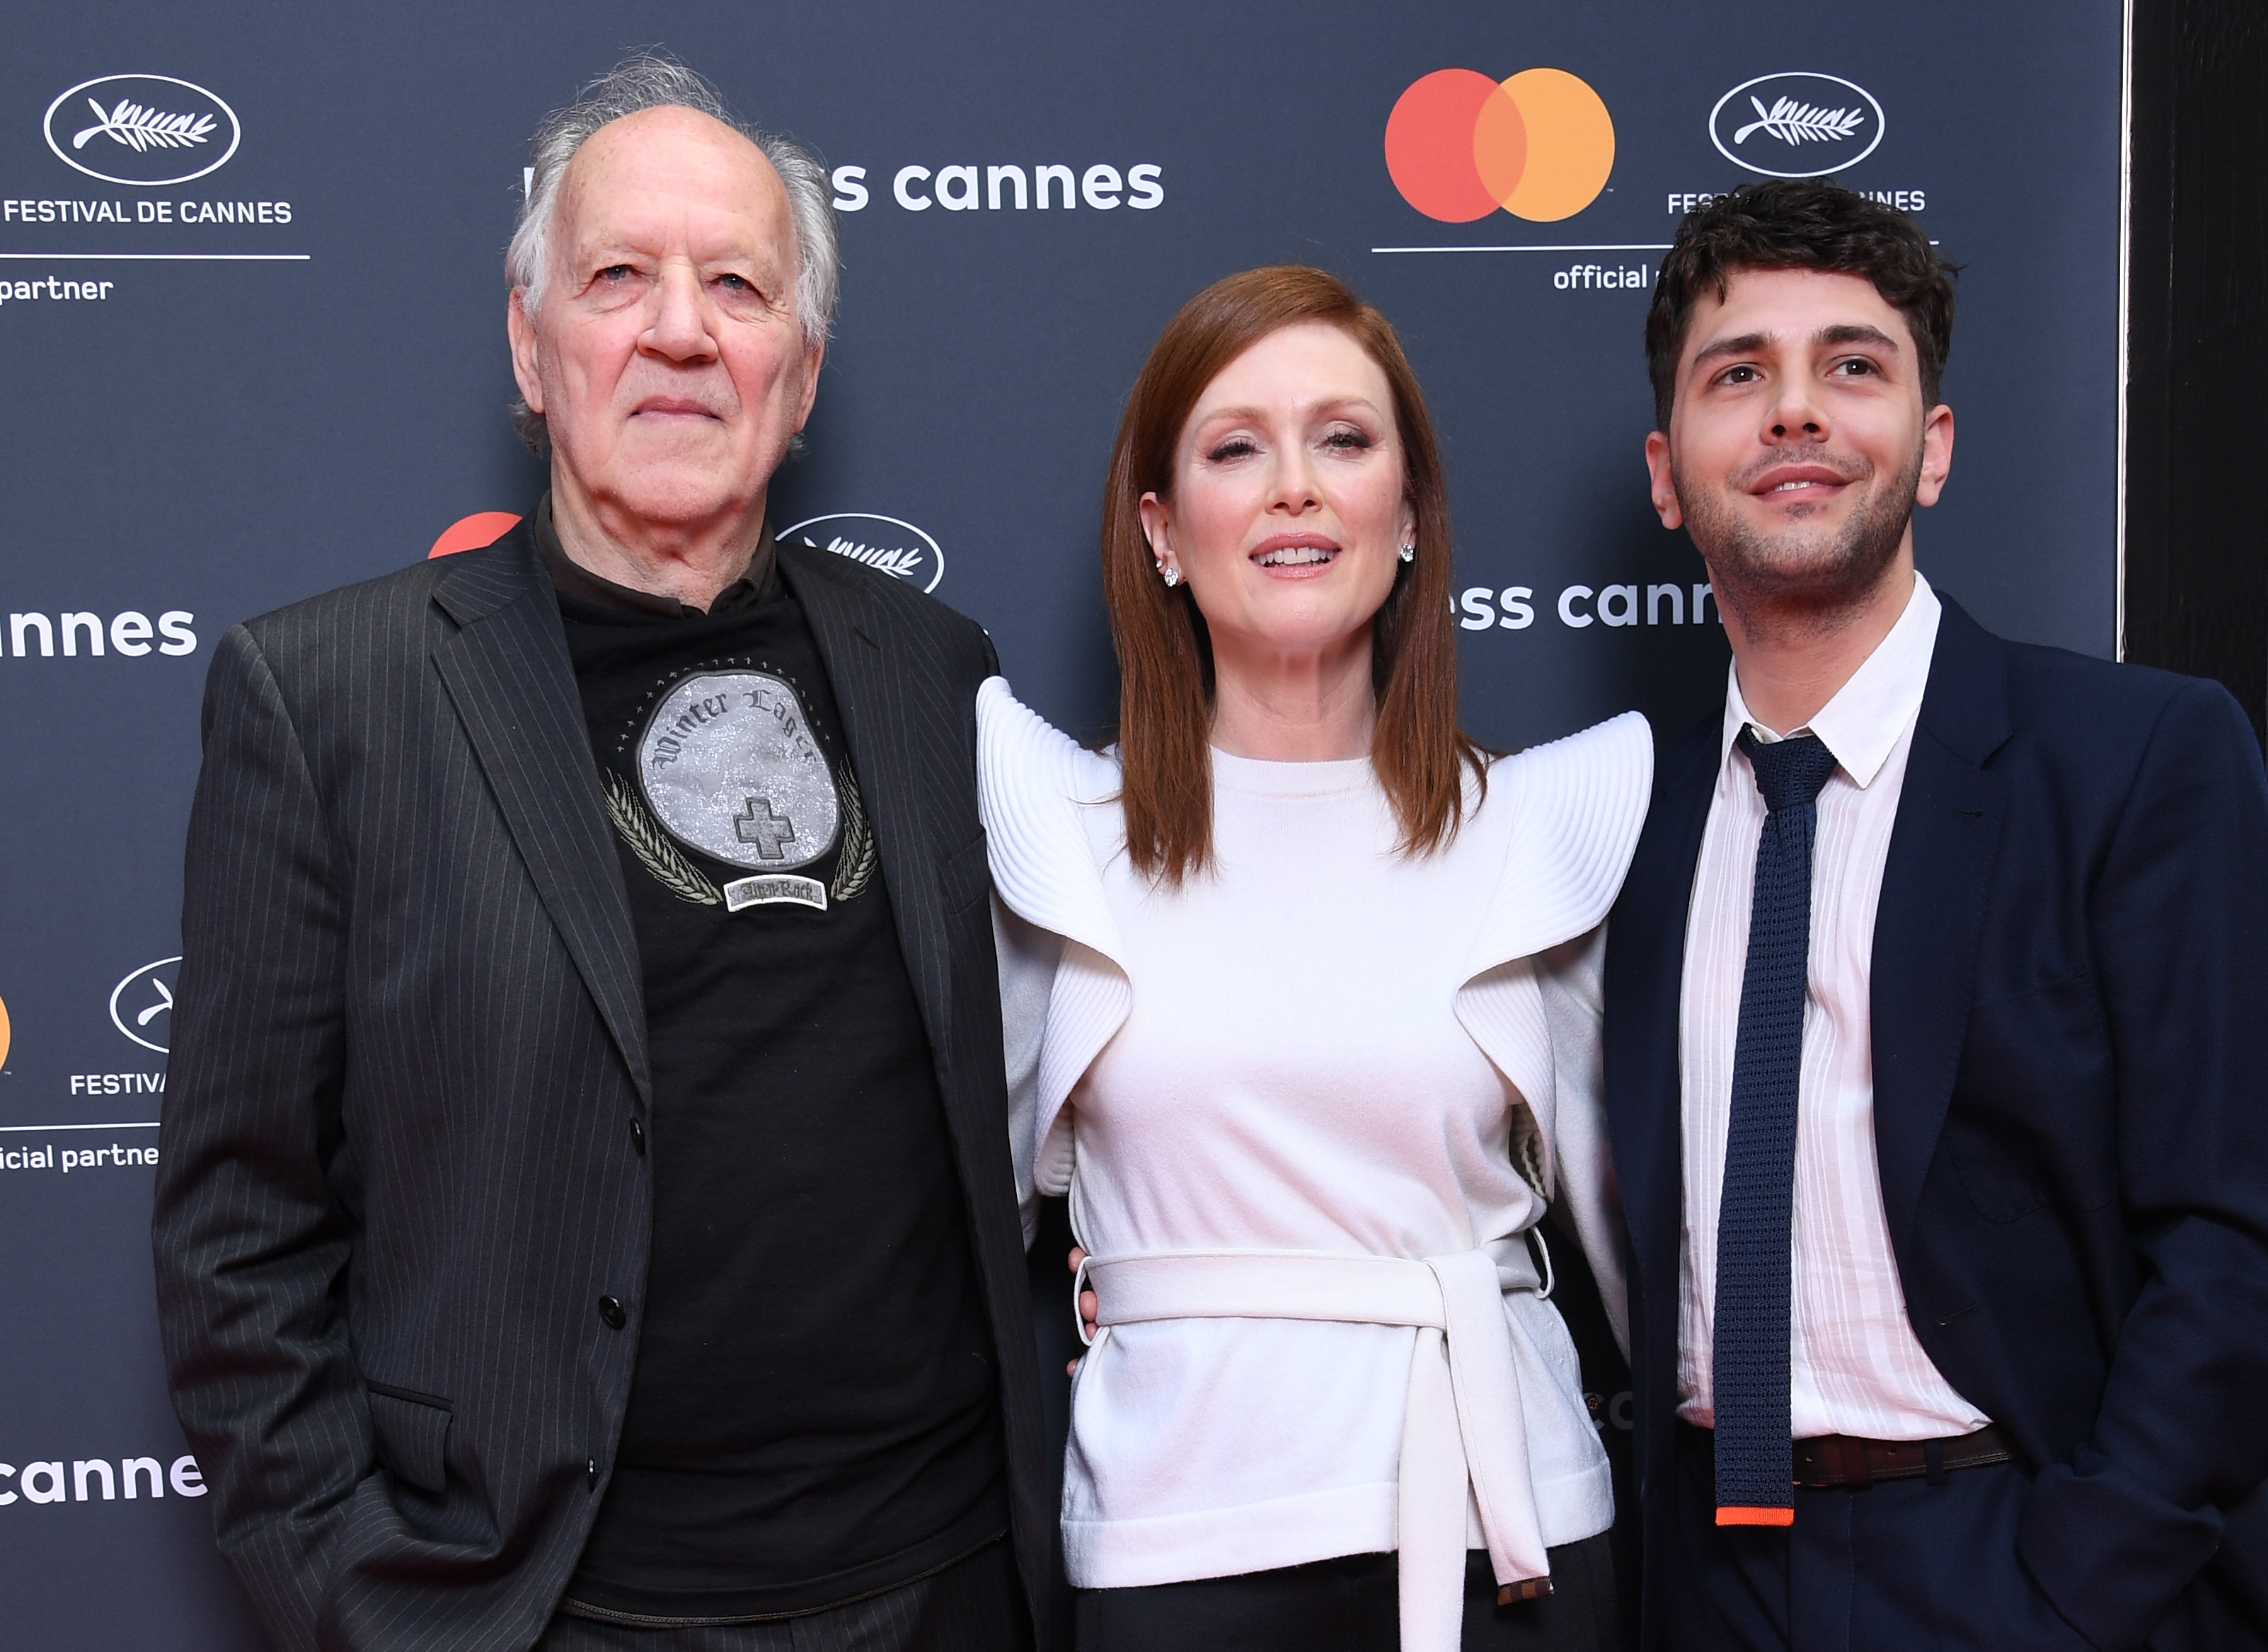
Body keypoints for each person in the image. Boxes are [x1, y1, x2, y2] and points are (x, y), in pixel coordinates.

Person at [151, 57, 1050, 1652]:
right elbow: (240, 1238)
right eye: (619, 277)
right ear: (531, 340)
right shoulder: (330, 697)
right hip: (559, 1608)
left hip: (945, 1583)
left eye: (737, 286)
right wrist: (368, 1609)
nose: (682, 329)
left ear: (803, 366)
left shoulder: (937, 672)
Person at [1601, 180, 2268, 1651]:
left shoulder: (2133, 759)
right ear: (1665, 468)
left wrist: (2070, 1584)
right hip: (1706, 1582)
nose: (1793, 413)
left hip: (2027, 1557)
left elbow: (2241, 1251)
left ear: (1929, 447)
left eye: (1852, 365)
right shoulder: (1617, 822)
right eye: (1736, 373)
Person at [977, 265, 1651, 1652]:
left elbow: (1655, 1250)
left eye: (1342, 440)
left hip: (1507, 1535)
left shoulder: (1541, 828)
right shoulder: (1051, 831)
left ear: (1404, 514)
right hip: (1173, 1548)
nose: (1293, 486)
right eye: (1236, 447)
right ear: (1161, 529)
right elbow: (946, 1230)